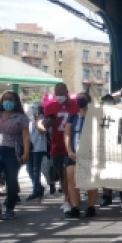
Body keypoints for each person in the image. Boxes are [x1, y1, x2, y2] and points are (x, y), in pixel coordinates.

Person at [0, 91, 30, 220]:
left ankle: (10, 208)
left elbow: (25, 136)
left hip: (12, 150)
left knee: (11, 181)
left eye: (10, 99)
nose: (7, 102)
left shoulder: (20, 117)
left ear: (15, 102)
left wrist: (26, 153)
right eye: (5, 99)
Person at [43, 83, 79, 213]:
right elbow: (45, 125)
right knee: (62, 175)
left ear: (67, 92)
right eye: (57, 94)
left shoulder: (75, 105)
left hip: (72, 144)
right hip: (57, 144)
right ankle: (67, 198)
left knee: (69, 174)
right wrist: (47, 123)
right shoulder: (50, 106)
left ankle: (70, 199)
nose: (59, 96)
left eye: (61, 93)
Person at [64, 92, 99, 218]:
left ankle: (91, 206)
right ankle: (75, 207)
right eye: (79, 99)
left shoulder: (95, 117)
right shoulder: (72, 117)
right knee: (71, 178)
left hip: (91, 153)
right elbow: (67, 134)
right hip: (74, 154)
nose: (81, 101)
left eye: (83, 99)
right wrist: (69, 151)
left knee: (91, 179)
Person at [26, 102, 48, 201]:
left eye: (36, 108)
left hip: (39, 148)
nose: (34, 110)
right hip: (30, 147)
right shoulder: (28, 120)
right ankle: (38, 186)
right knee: (29, 169)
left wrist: (36, 119)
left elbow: (41, 130)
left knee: (36, 170)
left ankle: (35, 191)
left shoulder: (44, 119)